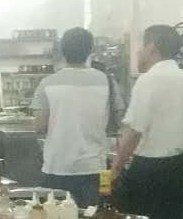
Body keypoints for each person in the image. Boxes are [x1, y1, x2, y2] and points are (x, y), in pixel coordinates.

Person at [113, 24, 183, 219]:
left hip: (149, 172)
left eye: (142, 46)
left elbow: (134, 131)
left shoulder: (148, 80)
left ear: (152, 48)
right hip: (182, 169)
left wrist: (116, 168)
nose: (138, 52)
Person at [32, 27, 121, 209]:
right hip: (94, 169)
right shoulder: (107, 82)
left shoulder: (47, 83)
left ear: (62, 51)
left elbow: (39, 125)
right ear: (90, 50)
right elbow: (118, 120)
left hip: (57, 167)